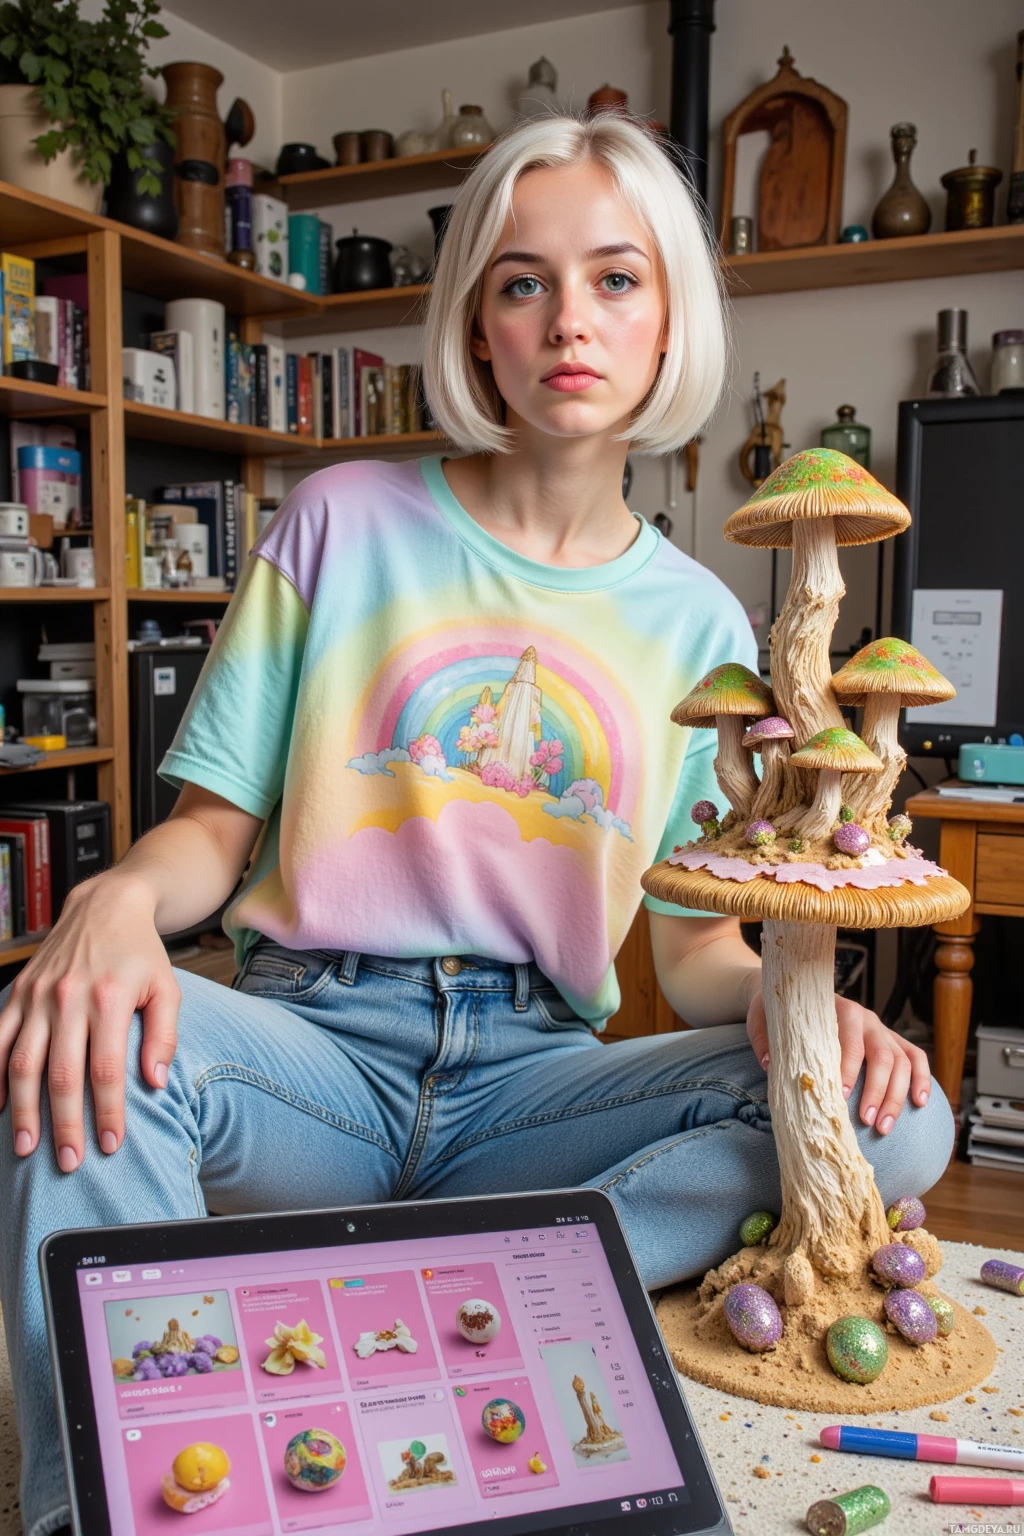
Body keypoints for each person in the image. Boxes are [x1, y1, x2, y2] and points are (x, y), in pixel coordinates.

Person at [0, 113, 951, 1536]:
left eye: (616, 279)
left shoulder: (701, 620)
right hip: (314, 1049)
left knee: (903, 1122)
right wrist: (115, 901)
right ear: (478, 324)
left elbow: (694, 956)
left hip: (533, 1085)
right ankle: (102, 1505)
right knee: (65, 1041)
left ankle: (446, 1291)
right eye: (524, 280)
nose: (571, 317)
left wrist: (807, 1013)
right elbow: (207, 834)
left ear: (670, 313)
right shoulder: (337, 519)